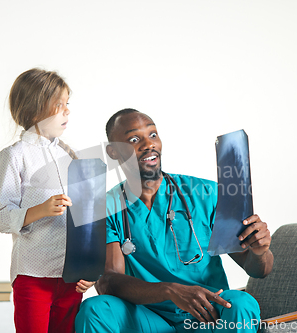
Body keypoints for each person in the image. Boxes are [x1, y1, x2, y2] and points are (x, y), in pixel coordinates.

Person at [75, 109, 274, 333]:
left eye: (153, 135)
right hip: (149, 319)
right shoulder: (106, 208)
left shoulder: (205, 194)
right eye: (134, 139)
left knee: (241, 303)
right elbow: (108, 282)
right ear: (113, 152)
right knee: (96, 310)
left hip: (206, 316)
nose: (148, 144)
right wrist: (170, 290)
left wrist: (259, 252)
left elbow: (259, 269)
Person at [0, 68, 94, 333]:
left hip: (71, 276)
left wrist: (90, 268)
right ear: (35, 110)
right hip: (32, 274)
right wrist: (41, 209)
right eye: (59, 106)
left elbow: (85, 220)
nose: (67, 111)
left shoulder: (70, 155)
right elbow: (2, 215)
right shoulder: (14, 156)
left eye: (67, 104)